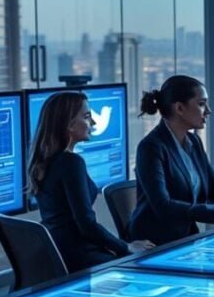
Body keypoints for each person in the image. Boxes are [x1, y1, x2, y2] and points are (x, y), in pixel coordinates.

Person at [29, 92, 154, 272]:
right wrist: (126, 247)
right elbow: (86, 225)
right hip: (80, 257)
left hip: (57, 253)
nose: (94, 123)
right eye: (87, 116)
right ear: (68, 123)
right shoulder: (70, 163)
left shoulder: (45, 160)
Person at [129, 75, 214, 245]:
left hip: (186, 237)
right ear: (179, 108)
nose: (208, 110)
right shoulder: (151, 147)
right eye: (201, 104)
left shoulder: (193, 141)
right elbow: (163, 206)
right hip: (155, 242)